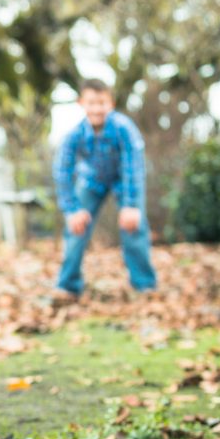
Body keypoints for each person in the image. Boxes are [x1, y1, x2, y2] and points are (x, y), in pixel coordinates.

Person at [52, 78, 157, 299]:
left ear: (111, 103)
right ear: (82, 103)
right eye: (92, 103)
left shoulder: (124, 128)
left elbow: (134, 167)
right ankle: (68, 286)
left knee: (133, 226)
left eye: (102, 103)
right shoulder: (74, 135)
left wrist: (131, 205)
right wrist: (72, 210)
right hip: (91, 182)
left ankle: (144, 285)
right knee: (76, 228)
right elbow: (62, 172)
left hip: (124, 181)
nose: (97, 108)